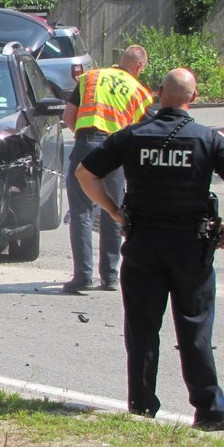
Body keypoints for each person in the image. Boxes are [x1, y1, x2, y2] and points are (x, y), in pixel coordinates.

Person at [75, 68, 224, 428]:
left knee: (142, 329)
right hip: (191, 248)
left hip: (143, 244)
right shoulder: (208, 139)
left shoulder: (132, 136)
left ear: (159, 93)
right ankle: (210, 411)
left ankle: (142, 406)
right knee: (194, 328)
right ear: (194, 96)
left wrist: (114, 211)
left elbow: (85, 173)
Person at [62, 45, 153, 293]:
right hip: (115, 150)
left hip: (85, 143)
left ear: (120, 61)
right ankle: (110, 277)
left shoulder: (90, 77)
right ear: (140, 67)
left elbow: (68, 116)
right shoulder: (140, 91)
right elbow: (148, 131)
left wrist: (84, 138)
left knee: (81, 211)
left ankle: (82, 277)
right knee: (113, 210)